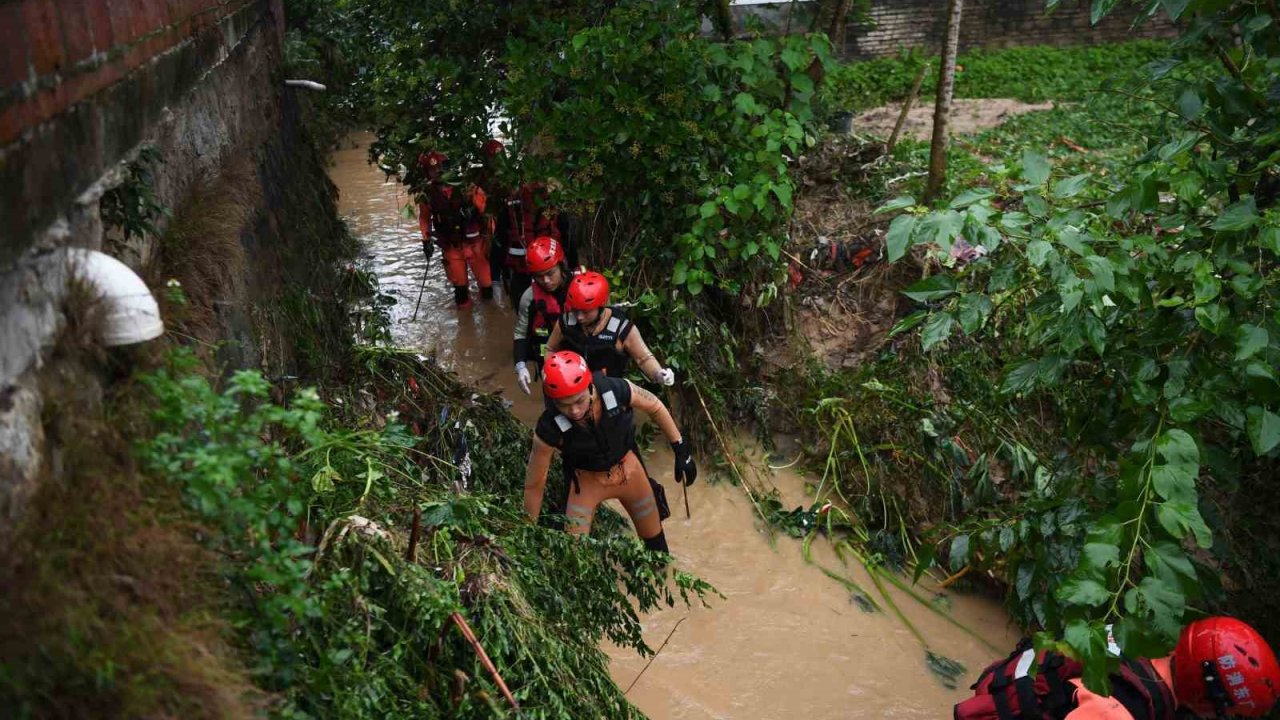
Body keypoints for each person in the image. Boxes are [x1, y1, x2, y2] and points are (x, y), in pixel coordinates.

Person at [523, 351, 696, 552]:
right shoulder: (548, 427)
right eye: (564, 405)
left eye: (579, 401)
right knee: (576, 556)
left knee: (656, 548)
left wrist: (681, 449)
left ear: (590, 388)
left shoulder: (614, 389)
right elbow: (534, 485)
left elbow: (654, 406)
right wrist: (528, 531)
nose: (575, 412)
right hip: (586, 483)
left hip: (629, 473)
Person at [954, 616, 1280, 719]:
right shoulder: (1119, 711)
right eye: (1231, 712)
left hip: (993, 694)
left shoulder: (1126, 639)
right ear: (1209, 696)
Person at [545, 271, 677, 385]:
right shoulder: (565, 322)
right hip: (573, 392)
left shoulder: (621, 328)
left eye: (585, 312)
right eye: (575, 310)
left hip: (610, 392)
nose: (579, 317)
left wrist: (659, 374)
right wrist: (551, 372)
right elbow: (550, 349)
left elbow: (644, 358)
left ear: (601, 306)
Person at [415, 151, 493, 309]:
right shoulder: (427, 194)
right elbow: (424, 219)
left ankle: (491, 315)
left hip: (475, 244)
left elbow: (487, 212)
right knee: (460, 291)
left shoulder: (468, 187)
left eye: (440, 168)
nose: (437, 172)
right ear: (427, 172)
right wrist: (426, 241)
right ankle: (465, 326)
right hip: (451, 246)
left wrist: (491, 237)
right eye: (432, 169)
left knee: (487, 286)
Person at [513, 235, 573, 394]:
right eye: (539, 276)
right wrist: (520, 366)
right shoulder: (529, 298)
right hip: (548, 361)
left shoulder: (579, 287)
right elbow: (521, 333)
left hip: (579, 356)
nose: (546, 280)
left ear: (561, 266)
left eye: (550, 273)